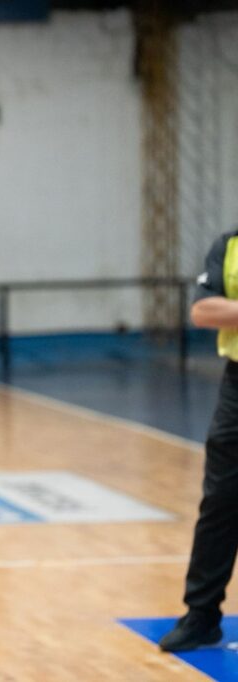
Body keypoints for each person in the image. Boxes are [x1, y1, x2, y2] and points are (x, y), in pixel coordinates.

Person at [160, 229, 238, 652]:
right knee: (221, 500)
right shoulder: (229, 246)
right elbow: (204, 311)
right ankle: (202, 615)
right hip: (237, 387)